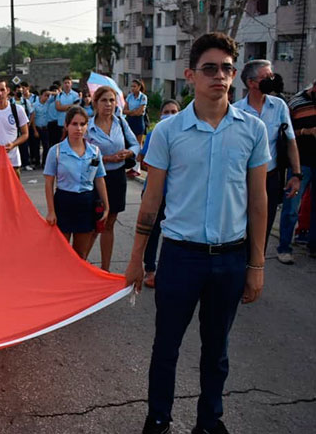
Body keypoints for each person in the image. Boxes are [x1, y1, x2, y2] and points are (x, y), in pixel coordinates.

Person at [124, 32, 269, 434]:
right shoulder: (169, 132)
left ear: (235, 74)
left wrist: (256, 265)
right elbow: (151, 202)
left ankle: (210, 421)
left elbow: (258, 202)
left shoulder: (252, 130)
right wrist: (137, 261)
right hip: (180, 257)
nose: (219, 76)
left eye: (226, 68)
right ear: (190, 75)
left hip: (229, 259)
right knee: (166, 347)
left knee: (216, 351)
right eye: (210, 68)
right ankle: (158, 418)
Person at [233, 59, 301, 250]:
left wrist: (296, 175)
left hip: (270, 178)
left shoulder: (279, 106)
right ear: (251, 83)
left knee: (262, 229)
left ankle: (256, 269)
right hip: (241, 179)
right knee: (237, 228)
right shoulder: (236, 111)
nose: (272, 79)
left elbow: (290, 140)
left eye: (272, 75)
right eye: (267, 77)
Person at [86, 85, 139, 271]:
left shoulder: (121, 123)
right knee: (94, 225)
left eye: (111, 100)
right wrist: (106, 158)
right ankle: (79, 266)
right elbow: (81, 154)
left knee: (109, 224)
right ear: (95, 103)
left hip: (117, 177)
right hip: (95, 179)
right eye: (104, 100)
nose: (108, 104)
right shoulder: (88, 127)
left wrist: (128, 153)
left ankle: (105, 270)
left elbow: (135, 145)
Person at [43, 106, 109, 258]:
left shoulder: (95, 152)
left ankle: (78, 282)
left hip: (86, 203)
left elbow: (100, 180)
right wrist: (51, 211)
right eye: (74, 124)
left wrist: (106, 206)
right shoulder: (56, 151)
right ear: (66, 125)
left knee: (81, 254)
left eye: (82, 124)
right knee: (61, 253)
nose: (78, 128)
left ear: (87, 126)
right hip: (64, 202)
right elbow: (48, 183)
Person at [136, 99, 181, 288]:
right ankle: (150, 269)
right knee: (153, 233)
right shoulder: (156, 132)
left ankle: (170, 270)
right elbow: (144, 159)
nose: (170, 115)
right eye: (167, 111)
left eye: (174, 111)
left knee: (174, 234)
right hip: (155, 191)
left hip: (177, 195)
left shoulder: (184, 134)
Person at [278, 79, 316, 262]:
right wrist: (307, 132)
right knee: (291, 207)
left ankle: (313, 245)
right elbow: (286, 134)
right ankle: (284, 247)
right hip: (301, 164)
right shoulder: (296, 103)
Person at [123, 79, 148, 178]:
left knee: (138, 144)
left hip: (138, 121)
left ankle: (137, 168)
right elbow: (124, 110)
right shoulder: (129, 96)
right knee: (129, 143)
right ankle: (131, 165)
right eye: (131, 86)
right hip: (130, 121)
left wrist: (132, 112)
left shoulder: (143, 97)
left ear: (139, 87)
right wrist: (132, 112)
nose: (132, 88)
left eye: (134, 86)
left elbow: (140, 112)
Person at [49, 76, 80, 148]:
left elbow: (75, 108)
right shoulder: (59, 95)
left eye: (68, 83)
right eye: (65, 83)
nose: (67, 84)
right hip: (60, 124)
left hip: (71, 123)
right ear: (63, 84)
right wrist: (70, 106)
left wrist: (64, 107)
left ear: (71, 84)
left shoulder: (75, 95)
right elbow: (58, 108)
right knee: (60, 144)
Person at [13, 84, 34, 170]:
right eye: (18, 91)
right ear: (14, 92)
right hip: (13, 128)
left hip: (23, 127)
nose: (19, 93)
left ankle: (26, 163)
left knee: (24, 145)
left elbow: (32, 112)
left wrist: (29, 123)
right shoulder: (10, 102)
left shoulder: (26, 102)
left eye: (21, 91)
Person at [30, 88, 52, 169]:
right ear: (40, 96)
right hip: (37, 127)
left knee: (46, 146)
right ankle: (37, 162)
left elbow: (57, 93)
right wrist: (35, 130)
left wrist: (49, 92)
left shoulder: (48, 103)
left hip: (45, 128)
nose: (46, 97)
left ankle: (44, 163)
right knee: (36, 147)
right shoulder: (35, 105)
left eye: (48, 96)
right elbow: (33, 119)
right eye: (45, 95)